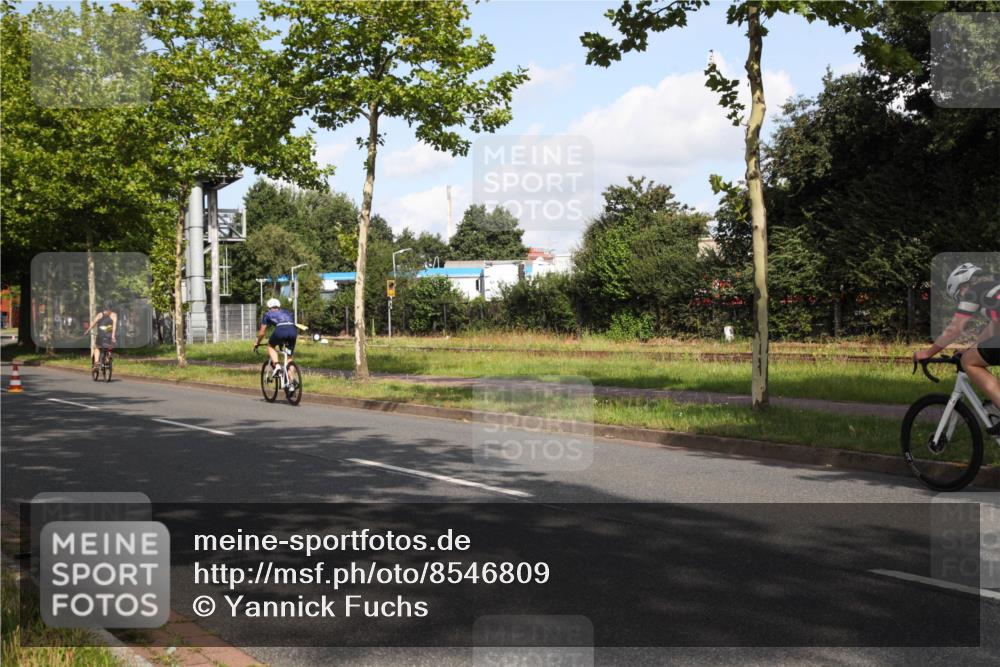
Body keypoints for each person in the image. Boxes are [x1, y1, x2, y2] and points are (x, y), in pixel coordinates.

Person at [914, 263, 1000, 434]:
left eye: (959, 295)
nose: (962, 298)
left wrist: (928, 353)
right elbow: (994, 328)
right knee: (972, 355)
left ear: (963, 285)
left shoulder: (972, 291)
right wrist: (971, 349)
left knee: (969, 362)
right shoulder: (993, 286)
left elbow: (954, 329)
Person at [254, 298, 297, 377]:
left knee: (270, 346)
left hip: (280, 330)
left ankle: (277, 366)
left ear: (269, 307)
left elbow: (262, 332)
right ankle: (291, 383)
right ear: (279, 306)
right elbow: (288, 325)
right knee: (289, 357)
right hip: (293, 330)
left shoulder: (268, 314)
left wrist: (257, 342)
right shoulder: (288, 312)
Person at [84, 302, 117, 369]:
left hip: (101, 336)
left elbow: (93, 323)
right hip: (109, 336)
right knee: (109, 347)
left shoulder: (100, 314)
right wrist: (113, 335)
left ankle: (96, 363)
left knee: (97, 348)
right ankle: (108, 358)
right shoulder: (114, 315)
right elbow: (114, 326)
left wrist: (87, 331)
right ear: (111, 308)